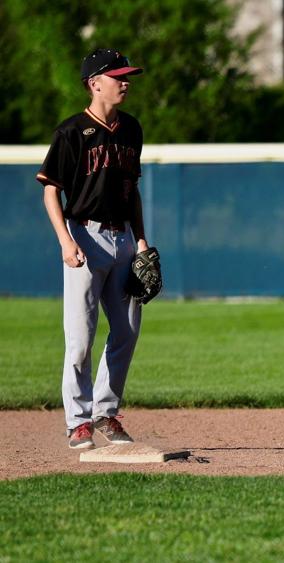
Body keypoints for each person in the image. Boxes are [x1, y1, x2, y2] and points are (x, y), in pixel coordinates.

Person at [37, 49, 148, 449]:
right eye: (118, 75)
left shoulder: (132, 129)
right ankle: (78, 421)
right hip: (84, 237)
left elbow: (131, 190)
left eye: (127, 75)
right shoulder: (71, 132)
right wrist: (66, 241)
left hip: (122, 241)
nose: (126, 81)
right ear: (94, 82)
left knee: (127, 331)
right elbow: (52, 192)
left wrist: (140, 241)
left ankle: (106, 411)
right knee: (81, 338)